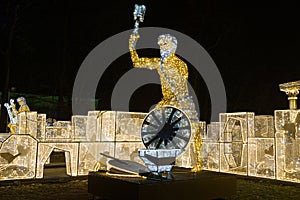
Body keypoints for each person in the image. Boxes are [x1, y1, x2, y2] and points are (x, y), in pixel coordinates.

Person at [129, 33, 202, 172]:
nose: (162, 47)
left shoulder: (180, 64)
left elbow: (179, 84)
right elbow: (137, 62)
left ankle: (198, 161)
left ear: (173, 47)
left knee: (194, 129)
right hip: (167, 101)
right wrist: (132, 46)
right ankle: (158, 160)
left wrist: (163, 66)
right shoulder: (159, 62)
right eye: (161, 45)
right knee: (153, 125)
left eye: (165, 44)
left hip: (182, 100)